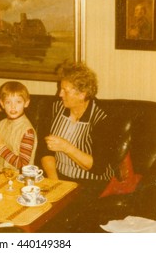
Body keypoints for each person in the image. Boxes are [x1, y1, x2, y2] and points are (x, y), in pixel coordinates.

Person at [37, 64, 115, 232]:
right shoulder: (56, 107)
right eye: (60, 89)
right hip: (58, 176)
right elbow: (45, 150)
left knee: (62, 220)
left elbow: (98, 168)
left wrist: (66, 147)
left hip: (89, 183)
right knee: (35, 210)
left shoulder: (102, 118)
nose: (59, 94)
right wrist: (54, 181)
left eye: (65, 91)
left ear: (82, 94)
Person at [0, 81, 37, 172]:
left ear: (26, 103)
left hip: (16, 178)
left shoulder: (27, 131)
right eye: (8, 102)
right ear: (2, 104)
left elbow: (23, 165)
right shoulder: (1, 123)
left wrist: (1, 146)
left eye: (18, 102)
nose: (13, 107)